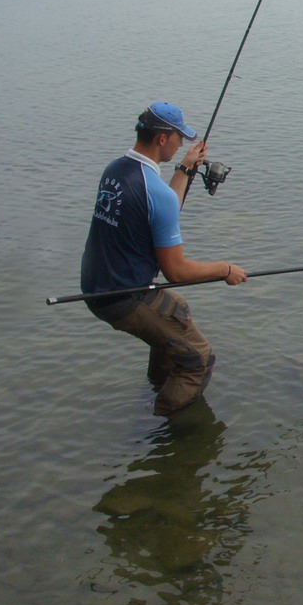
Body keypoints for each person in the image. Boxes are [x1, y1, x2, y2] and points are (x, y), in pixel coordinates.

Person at [80, 102, 247, 416]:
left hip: (96, 285)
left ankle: (158, 383)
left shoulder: (116, 169)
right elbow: (176, 271)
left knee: (178, 309)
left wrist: (184, 168)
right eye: (179, 137)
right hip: (124, 296)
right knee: (199, 358)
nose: (181, 143)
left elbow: (162, 206)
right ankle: (158, 425)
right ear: (162, 138)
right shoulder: (156, 192)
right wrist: (225, 270)